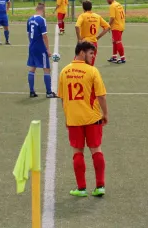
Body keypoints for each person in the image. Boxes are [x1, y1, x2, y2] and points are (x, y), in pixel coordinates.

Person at [58, 41, 108, 197]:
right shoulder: (92, 71)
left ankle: (81, 189)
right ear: (81, 53)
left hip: (74, 119)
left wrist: (67, 117)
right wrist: (105, 114)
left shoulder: (64, 72)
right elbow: (101, 95)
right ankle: (100, 186)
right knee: (96, 150)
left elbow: (63, 98)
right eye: (91, 53)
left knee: (77, 152)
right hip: (92, 118)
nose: (93, 56)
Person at [26, 3, 56, 98]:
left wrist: (31, 43)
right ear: (43, 10)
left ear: (36, 9)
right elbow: (44, 36)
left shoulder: (29, 19)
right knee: (46, 68)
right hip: (40, 48)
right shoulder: (42, 20)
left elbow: (28, 33)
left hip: (32, 46)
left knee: (32, 68)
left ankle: (31, 91)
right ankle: (49, 92)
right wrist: (48, 49)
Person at [75, 0, 110, 66]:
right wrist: (98, 37)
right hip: (94, 43)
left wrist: (79, 39)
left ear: (83, 8)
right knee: (90, 65)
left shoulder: (82, 16)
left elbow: (77, 26)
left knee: (78, 63)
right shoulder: (97, 16)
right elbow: (107, 27)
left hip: (84, 43)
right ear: (91, 7)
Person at [105, 0, 126, 64]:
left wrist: (108, 26)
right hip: (121, 25)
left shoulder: (112, 6)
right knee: (114, 42)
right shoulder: (118, 4)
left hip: (116, 27)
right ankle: (114, 57)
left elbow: (112, 18)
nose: (106, 1)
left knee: (118, 42)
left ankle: (123, 58)